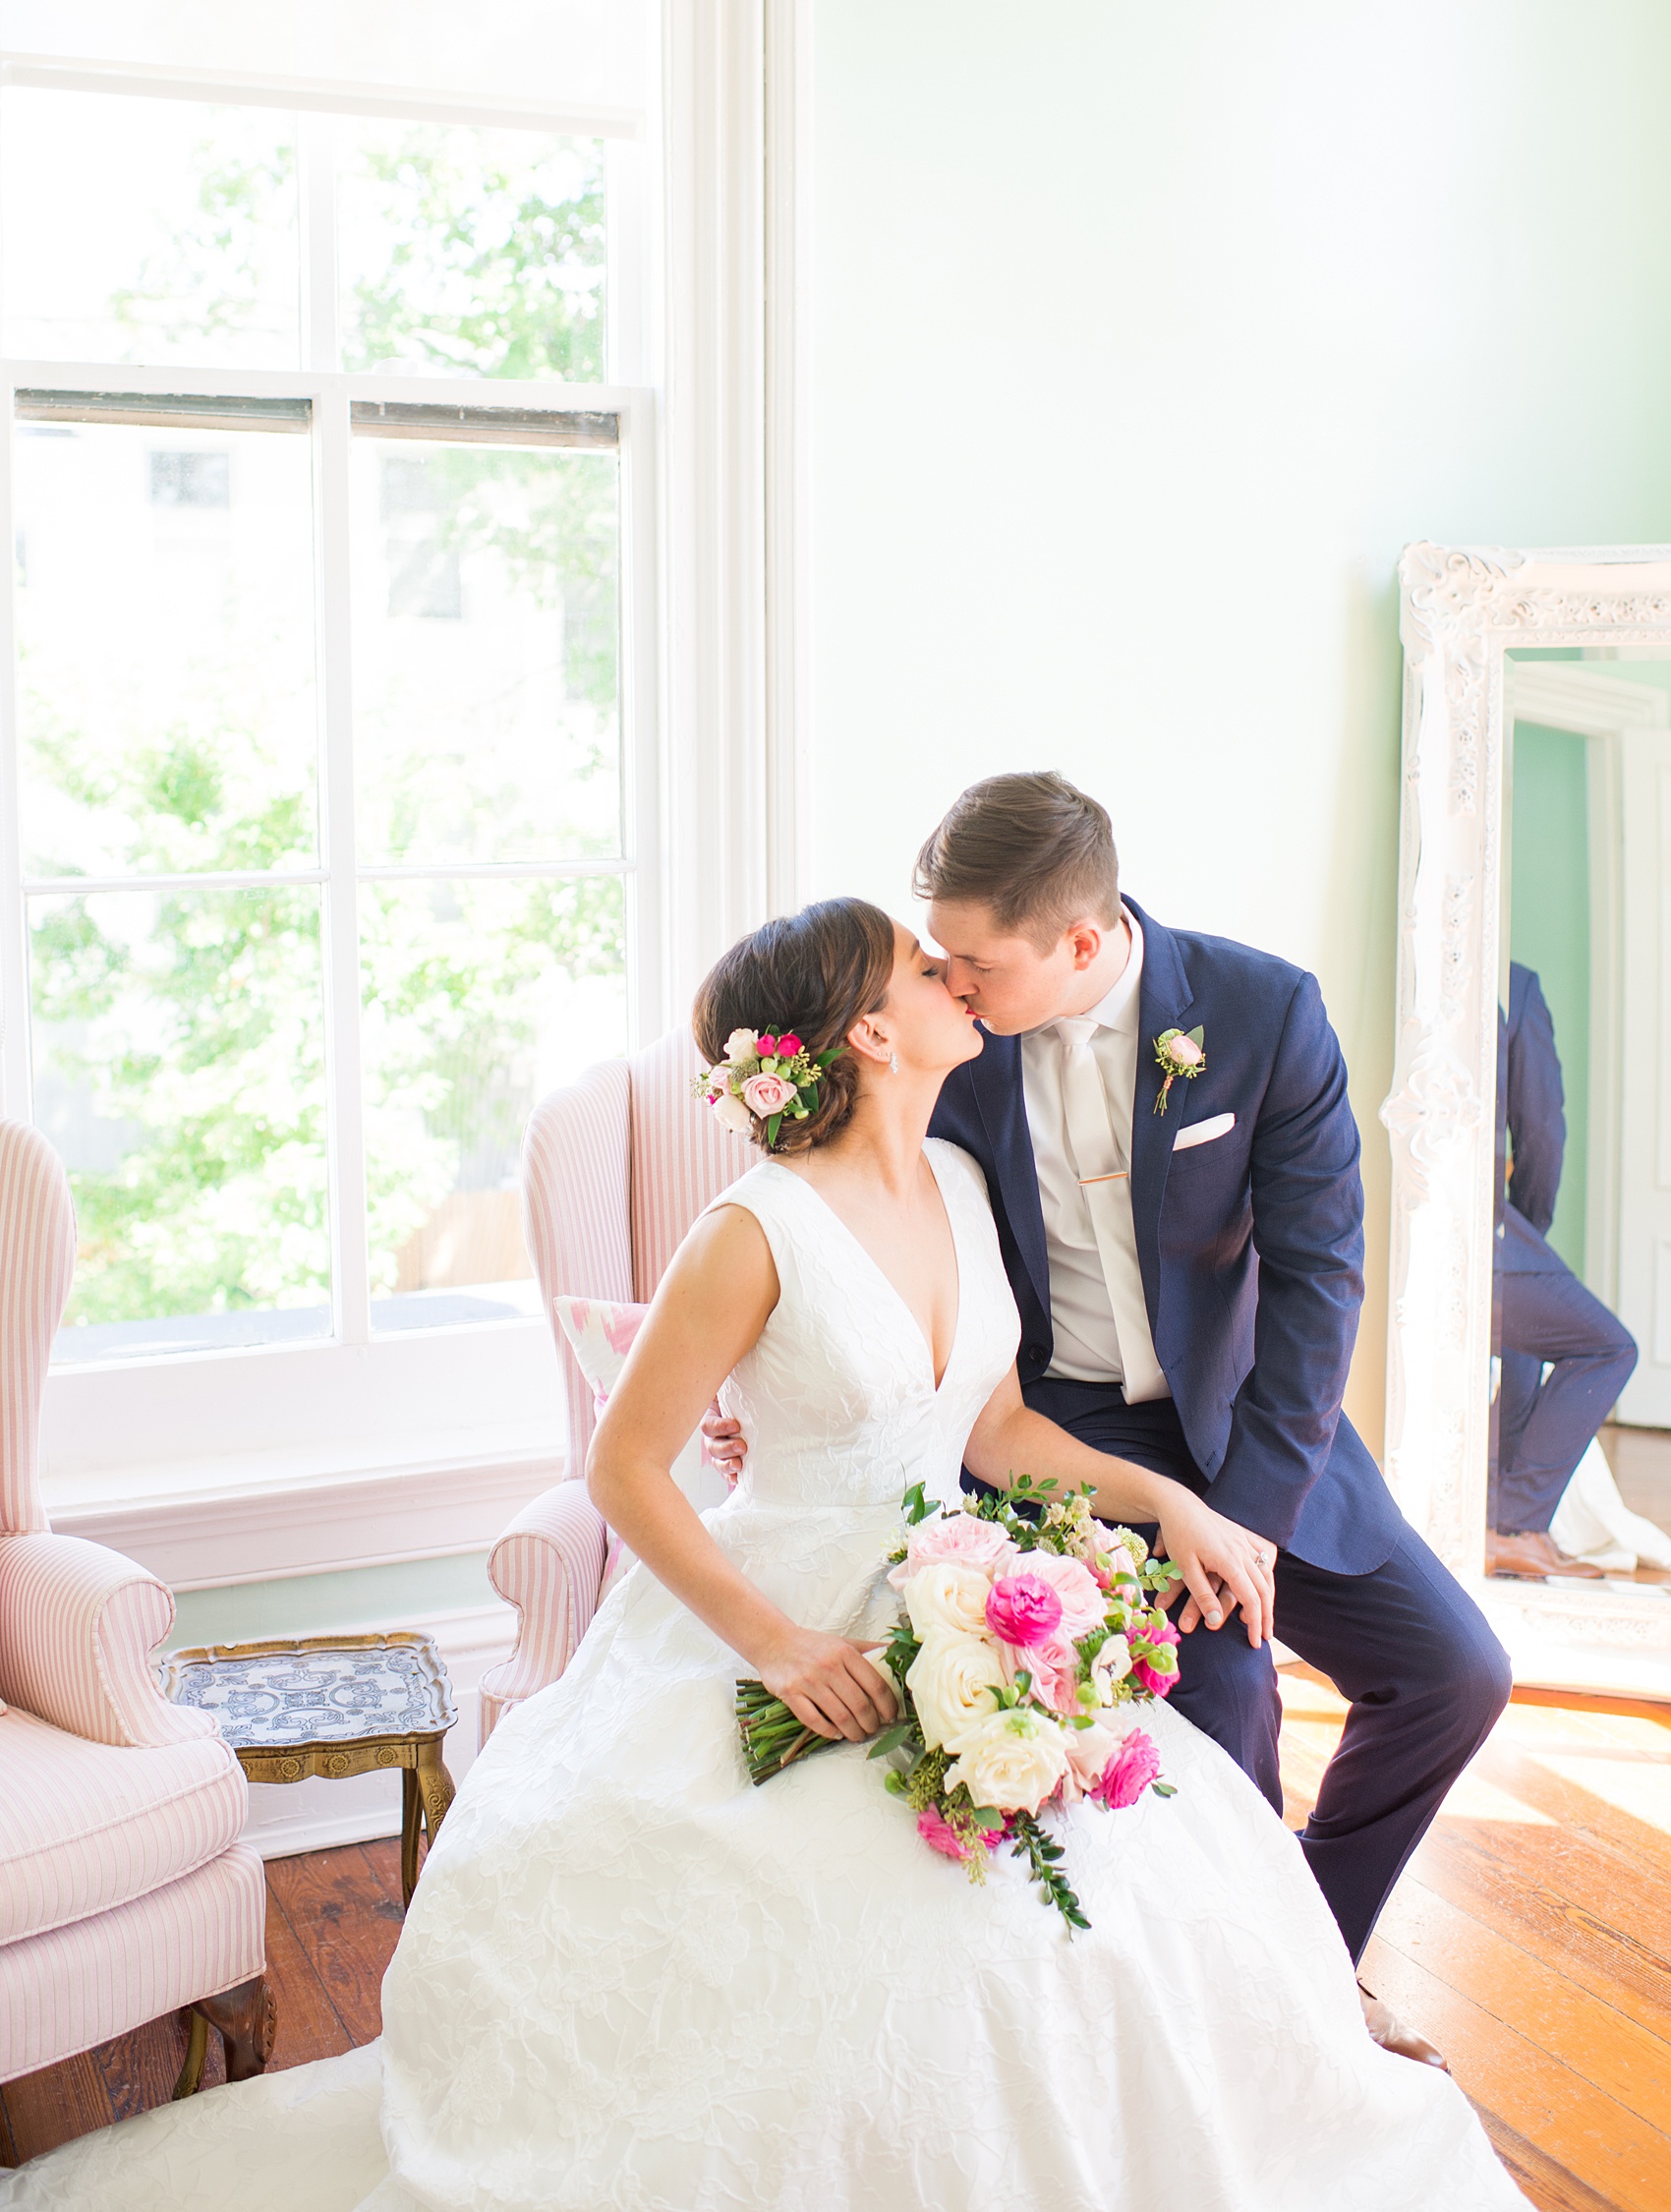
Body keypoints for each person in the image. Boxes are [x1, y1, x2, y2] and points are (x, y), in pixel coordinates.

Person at [2, 900, 1523, 2212]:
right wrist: (781, 1643)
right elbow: (623, 1465)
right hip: (778, 1610)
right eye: (929, 968)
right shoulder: (748, 1228)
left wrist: (1165, 1500)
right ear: (870, 1029)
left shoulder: (967, 1186)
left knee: (1076, 1911)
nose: (958, 980)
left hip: (956, 1587)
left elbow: (992, 1427)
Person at [706, 775, 1512, 2070]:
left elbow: (1320, 1275)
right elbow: (840, 1214)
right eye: (941, 952)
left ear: (1081, 944)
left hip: (1261, 1420)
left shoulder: (1262, 1011)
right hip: (1065, 1433)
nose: (951, 981)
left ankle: (1299, 1948)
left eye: (977, 959)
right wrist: (781, 1391)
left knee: (1457, 1675)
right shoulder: (953, 1054)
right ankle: (1252, 2019)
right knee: (1229, 1681)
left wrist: (1245, 1518)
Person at [1487, 961, 1638, 1581]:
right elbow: (1543, 1132)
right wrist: (1526, 1232)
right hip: (1486, 1220)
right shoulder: (1513, 983)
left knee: (1526, 1336)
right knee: (1609, 1347)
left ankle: (1505, 1523)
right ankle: (1514, 1524)